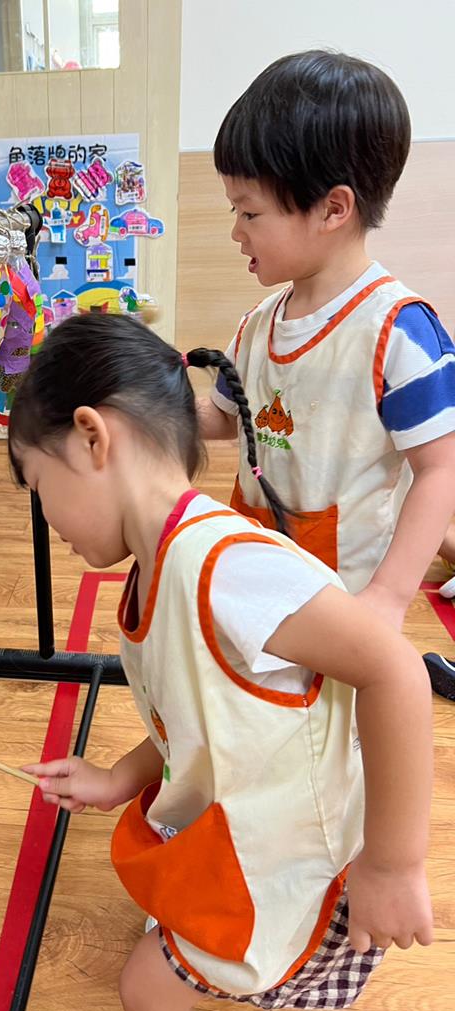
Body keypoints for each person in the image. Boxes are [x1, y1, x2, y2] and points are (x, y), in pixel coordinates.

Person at [8, 314, 433, 1011]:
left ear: (91, 436)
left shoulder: (224, 569)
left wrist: (392, 865)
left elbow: (395, 670)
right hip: (243, 837)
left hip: (298, 862)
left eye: (38, 484)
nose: (48, 518)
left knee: (147, 987)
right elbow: (201, 716)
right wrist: (117, 779)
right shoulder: (162, 566)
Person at [194, 51, 455, 697]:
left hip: (346, 603)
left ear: (334, 208)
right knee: (258, 707)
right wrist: (138, 400)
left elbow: (441, 470)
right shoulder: (257, 324)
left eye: (249, 212)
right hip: (257, 577)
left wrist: (390, 596)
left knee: (334, 728)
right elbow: (223, 420)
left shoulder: (397, 331)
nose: (235, 231)